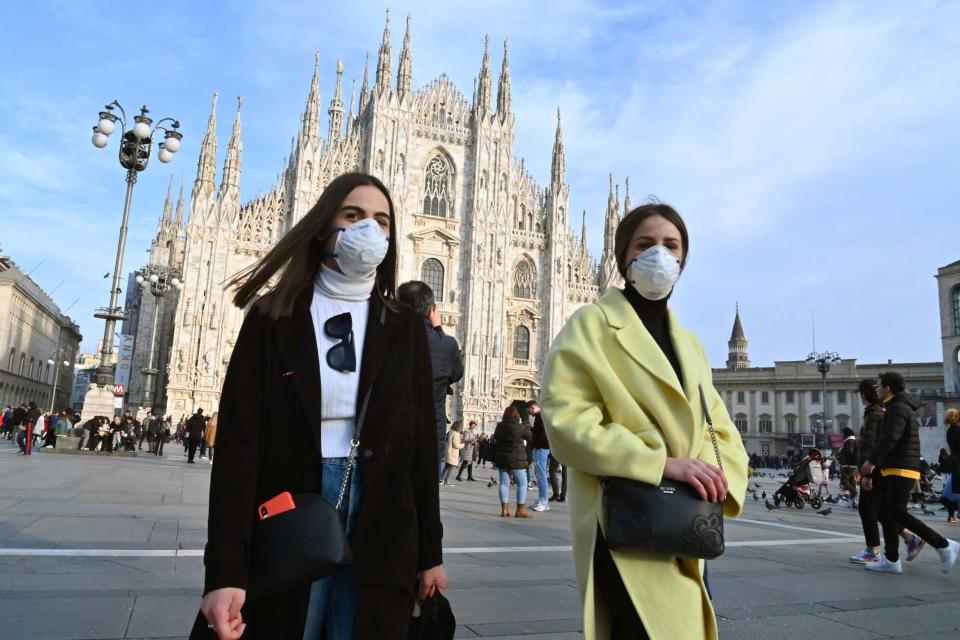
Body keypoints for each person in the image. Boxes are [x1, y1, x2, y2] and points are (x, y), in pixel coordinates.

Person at [194, 173, 445, 640]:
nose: (368, 230)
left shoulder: (403, 328)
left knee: (362, 626)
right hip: (293, 502)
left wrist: (431, 552)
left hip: (382, 511)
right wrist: (225, 570)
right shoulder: (273, 318)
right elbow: (238, 451)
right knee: (294, 625)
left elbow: (421, 445)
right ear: (322, 225)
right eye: (353, 216)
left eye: (381, 221)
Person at [542, 203, 749, 640]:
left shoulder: (689, 342)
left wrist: (721, 477)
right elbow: (565, 421)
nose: (659, 254)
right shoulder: (592, 324)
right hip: (627, 519)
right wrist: (660, 464)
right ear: (623, 258)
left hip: (689, 520)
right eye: (645, 244)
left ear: (683, 260)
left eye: (671, 245)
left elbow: (720, 427)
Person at [860, 372, 960, 574]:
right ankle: (891, 560)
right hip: (895, 467)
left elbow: (890, 438)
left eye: (879, 386)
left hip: (901, 467)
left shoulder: (897, 408)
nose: (876, 390)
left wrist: (871, 462)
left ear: (888, 387)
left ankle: (944, 545)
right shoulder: (895, 406)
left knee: (896, 513)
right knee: (887, 513)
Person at [397, 280, 464, 476]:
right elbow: (456, 372)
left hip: (392, 433)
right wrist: (439, 331)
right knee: (424, 500)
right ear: (431, 310)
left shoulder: (386, 337)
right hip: (429, 436)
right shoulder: (447, 345)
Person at [493, 405, 532, 518]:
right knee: (522, 483)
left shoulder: (500, 426)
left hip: (502, 458)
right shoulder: (520, 427)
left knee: (504, 483)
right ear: (516, 415)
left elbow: (496, 437)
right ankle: (520, 510)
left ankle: (504, 510)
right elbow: (529, 437)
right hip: (517, 460)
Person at [528, 401, 551, 512]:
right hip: (540, 448)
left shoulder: (542, 417)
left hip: (541, 448)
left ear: (533, 408)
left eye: (529, 410)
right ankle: (542, 499)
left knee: (541, 475)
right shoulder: (539, 417)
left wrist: (534, 445)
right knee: (539, 474)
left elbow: (543, 435)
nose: (529, 413)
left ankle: (544, 501)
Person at [941, 408, 960, 524]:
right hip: (958, 463)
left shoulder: (951, 430)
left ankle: (951, 515)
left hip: (955, 463)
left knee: (952, 490)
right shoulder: (956, 430)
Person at [839, 427, 859, 508]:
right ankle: (852, 502)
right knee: (852, 482)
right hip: (854, 465)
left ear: (846, 434)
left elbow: (849, 452)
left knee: (844, 482)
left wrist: (842, 450)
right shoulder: (855, 441)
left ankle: (854, 493)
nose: (842, 435)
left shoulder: (849, 441)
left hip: (848, 465)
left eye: (843, 433)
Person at [441, 421, 464, 486]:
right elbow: (456, 445)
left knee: (446, 467)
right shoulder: (455, 434)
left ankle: (441, 479)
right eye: (460, 426)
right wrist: (462, 445)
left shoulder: (450, 432)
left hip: (448, 452)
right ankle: (446, 481)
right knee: (451, 468)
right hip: (453, 453)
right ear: (458, 426)